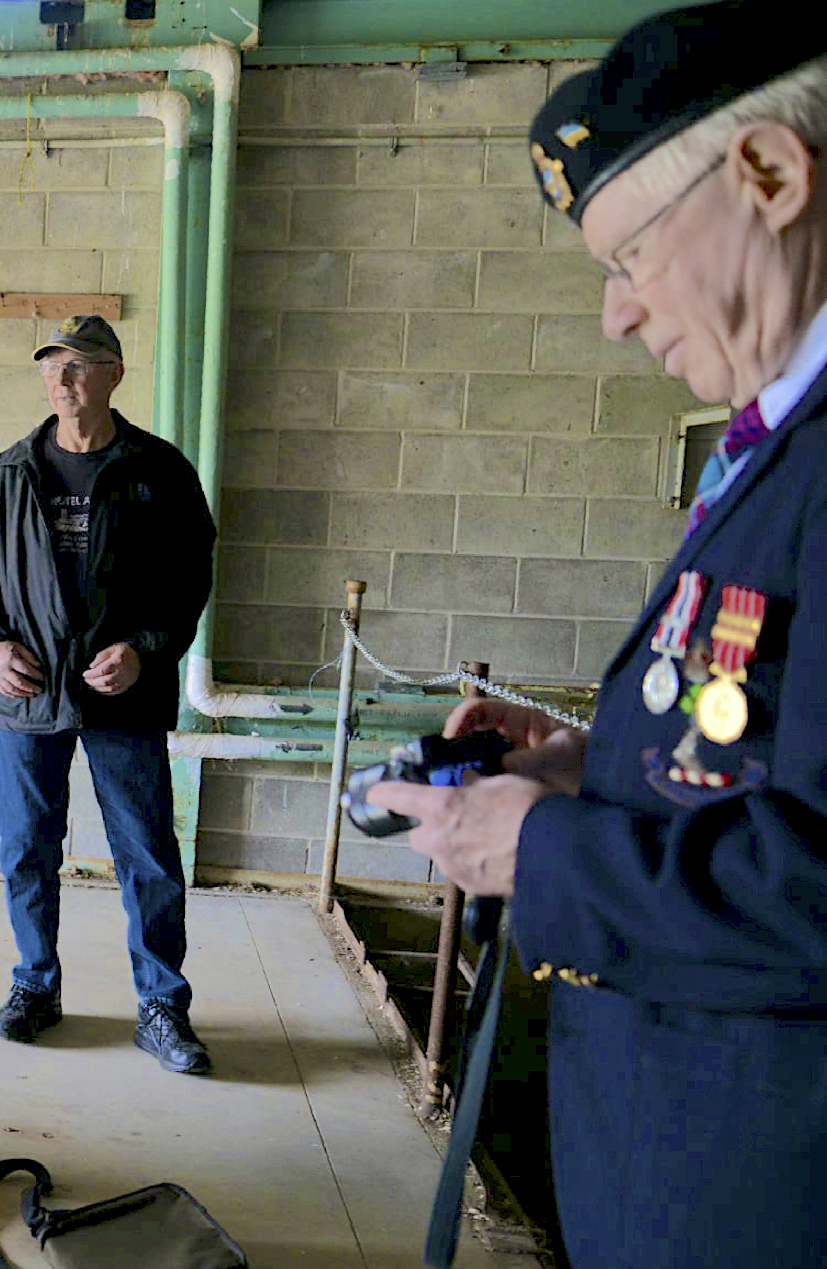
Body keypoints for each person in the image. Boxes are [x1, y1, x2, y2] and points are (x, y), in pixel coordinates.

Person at [367, 5, 827, 1264]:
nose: (617, 315)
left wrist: (547, 851)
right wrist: (591, 762)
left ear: (770, 176)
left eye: (628, 257)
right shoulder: (774, 443)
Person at [0, 314, 217, 1075]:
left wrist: (144, 651)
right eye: (51, 368)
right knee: (26, 851)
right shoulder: (7, 473)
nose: (61, 382)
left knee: (148, 855)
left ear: (114, 375)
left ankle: (162, 1006)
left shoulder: (159, 472)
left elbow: (186, 586)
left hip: (121, 695)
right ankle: (34, 986)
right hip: (29, 695)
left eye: (78, 367)